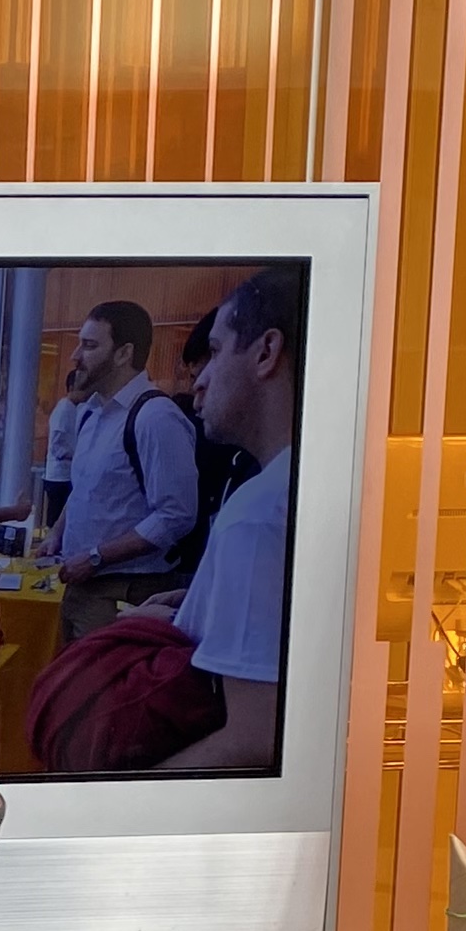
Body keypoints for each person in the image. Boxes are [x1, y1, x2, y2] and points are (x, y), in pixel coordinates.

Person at [141, 266, 300, 773]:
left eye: (214, 350)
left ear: (265, 353)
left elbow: (253, 739)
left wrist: (121, 802)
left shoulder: (258, 514)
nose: (200, 380)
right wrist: (199, 607)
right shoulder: (292, 489)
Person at [46, 296, 199, 634]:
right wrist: (57, 532)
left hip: (127, 592)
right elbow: (87, 488)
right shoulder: (92, 411)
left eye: (88, 345)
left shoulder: (156, 417)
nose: (75, 357)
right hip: (82, 586)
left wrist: (97, 556)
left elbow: (176, 515)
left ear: (123, 353)